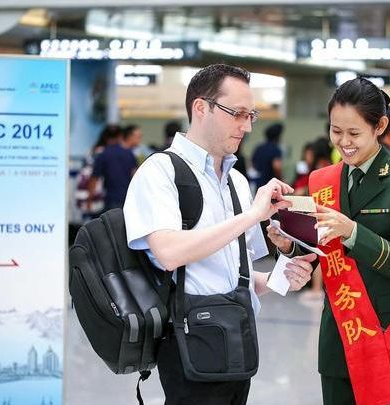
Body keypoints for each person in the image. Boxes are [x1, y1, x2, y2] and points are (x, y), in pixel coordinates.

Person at [123, 63, 316, 405]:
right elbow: (168, 253)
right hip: (188, 339)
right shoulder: (160, 172)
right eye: (237, 113)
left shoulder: (237, 182)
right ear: (201, 108)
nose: (247, 125)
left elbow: (233, 275)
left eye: (251, 115)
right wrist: (253, 215)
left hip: (237, 339)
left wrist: (280, 277)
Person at [268, 77, 390, 405]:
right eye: (336, 131)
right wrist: (287, 244)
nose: (344, 142)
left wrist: (353, 231)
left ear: (380, 126)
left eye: (354, 133)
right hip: (341, 340)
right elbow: (319, 247)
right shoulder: (323, 180)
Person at [87, 124, 138, 212]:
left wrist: (89, 199)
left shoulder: (103, 154)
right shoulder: (129, 154)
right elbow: (135, 176)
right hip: (127, 198)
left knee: (112, 224)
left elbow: (94, 178)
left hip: (111, 198)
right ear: (120, 136)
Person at [252, 122, 284, 188]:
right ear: (277, 137)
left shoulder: (259, 148)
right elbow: (277, 167)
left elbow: (253, 163)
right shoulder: (276, 150)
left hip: (259, 182)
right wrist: (281, 180)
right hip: (271, 184)